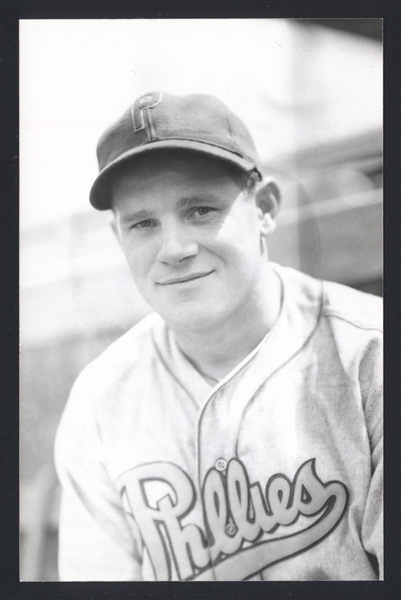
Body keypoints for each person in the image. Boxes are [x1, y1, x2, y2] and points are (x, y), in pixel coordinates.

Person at [55, 92, 383, 581]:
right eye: (143, 224)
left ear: (266, 207)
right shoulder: (101, 399)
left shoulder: (371, 352)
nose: (175, 249)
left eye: (201, 211)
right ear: (117, 237)